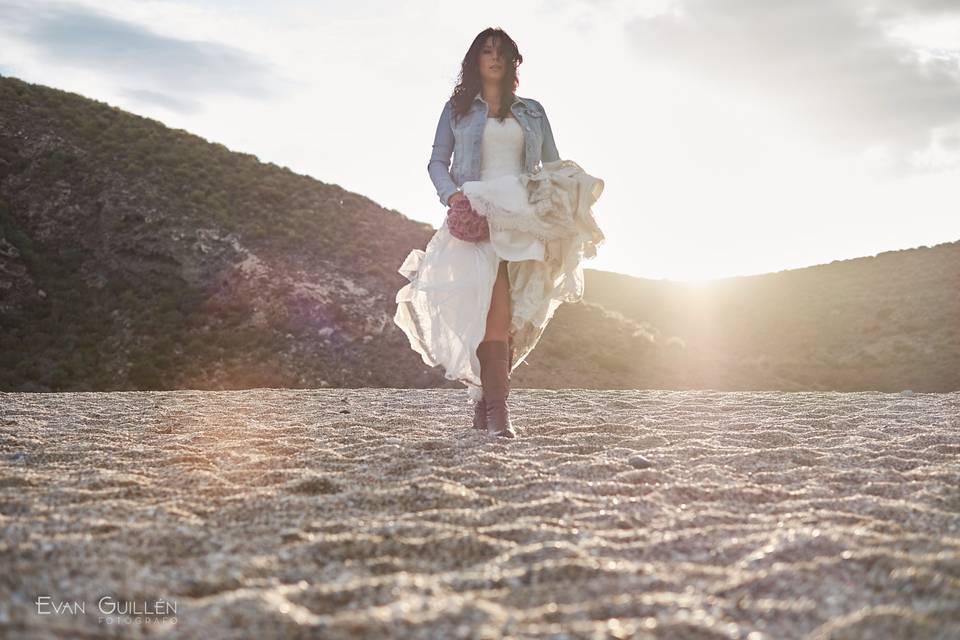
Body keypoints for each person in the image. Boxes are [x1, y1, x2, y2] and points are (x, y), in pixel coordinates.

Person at [394, 27, 604, 439]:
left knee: (506, 320)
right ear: (475, 59)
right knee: (482, 317)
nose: (494, 58)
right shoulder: (457, 109)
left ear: (512, 62)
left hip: (523, 219)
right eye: (486, 51)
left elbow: (552, 165)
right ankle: (492, 409)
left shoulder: (533, 112)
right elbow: (437, 161)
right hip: (476, 216)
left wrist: (573, 195)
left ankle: (490, 407)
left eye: (502, 53)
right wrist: (453, 198)